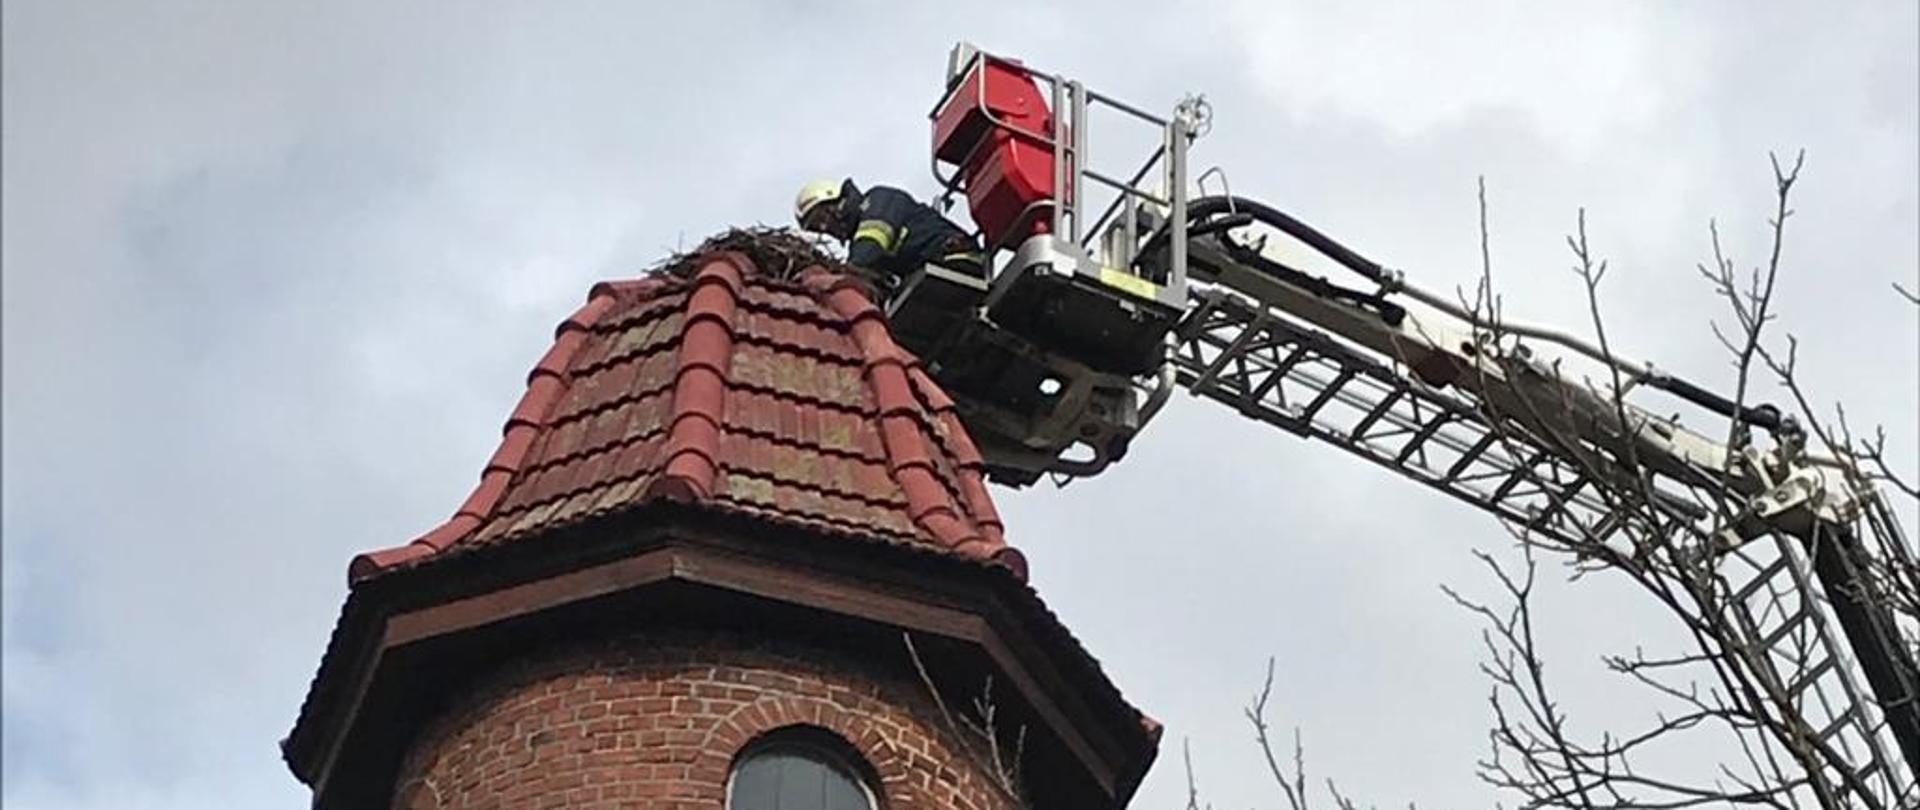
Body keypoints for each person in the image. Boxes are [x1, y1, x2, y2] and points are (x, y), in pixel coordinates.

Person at [793, 178, 985, 289]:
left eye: (820, 219)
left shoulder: (878, 200)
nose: (824, 228)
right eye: (816, 228)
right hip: (927, 276)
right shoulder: (858, 242)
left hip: (955, 260)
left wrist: (839, 275)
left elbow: (871, 244)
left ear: (834, 201)